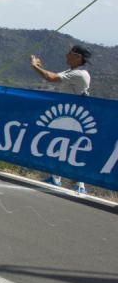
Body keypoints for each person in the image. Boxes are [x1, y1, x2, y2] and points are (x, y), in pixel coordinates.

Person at [31, 45, 92, 194]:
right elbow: (52, 75)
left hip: (75, 116)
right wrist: (40, 67)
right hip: (68, 115)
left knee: (73, 150)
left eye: (70, 53)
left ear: (78, 57)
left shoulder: (79, 74)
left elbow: (50, 78)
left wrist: (34, 66)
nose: (66, 55)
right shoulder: (71, 72)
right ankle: (56, 178)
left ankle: (80, 185)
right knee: (60, 147)